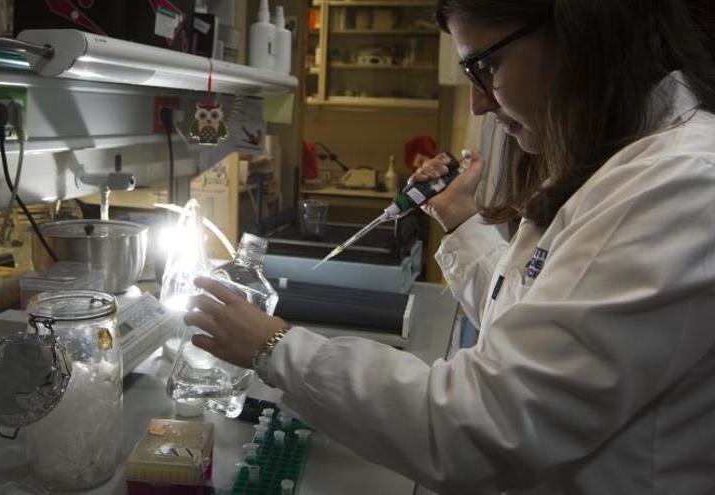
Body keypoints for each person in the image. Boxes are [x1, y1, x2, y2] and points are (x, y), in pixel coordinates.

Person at [185, 1, 715, 493]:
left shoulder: (678, 186)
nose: (479, 103)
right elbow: (533, 317)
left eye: (486, 66)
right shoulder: (624, 164)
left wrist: (276, 347)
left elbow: (486, 423)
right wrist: (459, 219)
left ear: (580, 33)